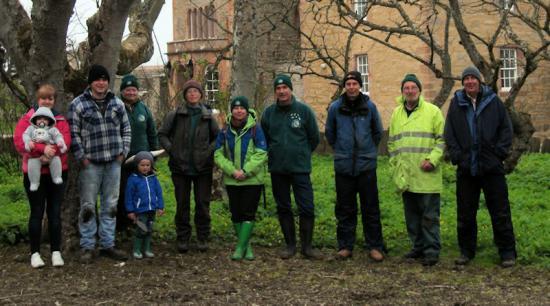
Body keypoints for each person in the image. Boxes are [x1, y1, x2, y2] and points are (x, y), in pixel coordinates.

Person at [444, 65, 517, 268]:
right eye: (466, 79)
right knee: (466, 212)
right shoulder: (456, 104)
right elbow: (449, 133)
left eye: (473, 79)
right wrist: (459, 157)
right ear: (463, 83)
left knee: (500, 210)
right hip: (467, 168)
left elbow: (506, 129)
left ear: (479, 81)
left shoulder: (493, 102)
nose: (470, 82)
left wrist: (498, 154)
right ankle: (466, 251)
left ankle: (507, 252)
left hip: (491, 167)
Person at [68, 64, 131, 263]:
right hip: (90, 164)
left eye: (104, 79)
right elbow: (73, 133)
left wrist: (124, 153)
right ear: (91, 82)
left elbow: (126, 129)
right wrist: (81, 157)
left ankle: (107, 244)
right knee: (87, 206)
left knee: (110, 205)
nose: (101, 83)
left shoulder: (117, 103)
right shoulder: (78, 104)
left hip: (114, 162)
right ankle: (87, 246)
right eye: (97, 79)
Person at [325, 71, 385, 261]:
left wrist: (367, 150)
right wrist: (343, 150)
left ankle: (374, 246)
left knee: (371, 208)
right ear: (345, 86)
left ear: (360, 86)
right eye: (348, 83)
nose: (351, 87)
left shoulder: (370, 107)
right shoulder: (335, 108)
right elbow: (330, 133)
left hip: (366, 166)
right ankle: (345, 245)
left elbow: (377, 132)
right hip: (343, 166)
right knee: (345, 208)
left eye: (354, 83)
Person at [261, 74, 321, 259]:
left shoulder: (304, 111)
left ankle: (307, 247)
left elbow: (314, 138)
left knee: (306, 207)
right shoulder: (269, 113)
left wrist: (301, 153)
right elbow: (265, 138)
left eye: (284, 88)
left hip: (300, 168)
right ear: (275, 92)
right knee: (283, 206)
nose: (281, 91)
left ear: (290, 89)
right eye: (278, 89)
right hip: (278, 168)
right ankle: (290, 245)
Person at [388, 74, 445, 266]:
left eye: (413, 87)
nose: (410, 91)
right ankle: (418, 246)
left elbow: (442, 140)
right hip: (406, 174)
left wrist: (433, 160)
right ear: (402, 92)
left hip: (427, 173)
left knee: (429, 216)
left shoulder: (433, 111)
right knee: (411, 216)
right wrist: (395, 165)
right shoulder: (397, 113)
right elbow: (392, 142)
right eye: (406, 88)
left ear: (419, 90)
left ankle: (431, 250)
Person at [13, 84, 71, 268]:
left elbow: (66, 142)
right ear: (38, 100)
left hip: (57, 171)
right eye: (43, 98)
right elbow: (19, 142)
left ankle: (56, 252)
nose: (47, 101)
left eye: (50, 98)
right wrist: (41, 151)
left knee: (55, 213)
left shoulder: (60, 119)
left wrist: (50, 153)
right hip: (33, 173)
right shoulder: (27, 119)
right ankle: (35, 253)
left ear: (54, 100)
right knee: (37, 212)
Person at [158, 79, 219, 253]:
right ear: (185, 95)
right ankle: (183, 238)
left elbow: (218, 137)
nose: (192, 94)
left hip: (203, 168)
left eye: (196, 91)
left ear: (200, 94)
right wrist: (173, 151)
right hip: (180, 168)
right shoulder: (175, 114)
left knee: (202, 204)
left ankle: (202, 237)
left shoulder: (208, 116)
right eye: (189, 91)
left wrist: (208, 151)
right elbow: (162, 134)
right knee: (182, 204)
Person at [214, 96, 267, 260]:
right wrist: (232, 171)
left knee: (248, 213)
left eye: (242, 108)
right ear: (232, 111)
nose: (239, 111)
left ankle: (239, 248)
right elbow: (217, 154)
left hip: (252, 179)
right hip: (232, 180)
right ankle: (246, 246)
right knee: (236, 213)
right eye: (236, 108)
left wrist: (245, 171)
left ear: (247, 110)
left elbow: (261, 153)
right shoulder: (224, 130)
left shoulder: (255, 129)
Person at [117, 74, 160, 234]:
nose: (131, 93)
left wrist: (153, 157)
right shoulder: (117, 107)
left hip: (142, 160)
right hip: (123, 159)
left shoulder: (144, 109)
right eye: (127, 90)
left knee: (139, 191)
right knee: (122, 192)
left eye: (134, 90)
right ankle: (121, 224)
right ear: (122, 92)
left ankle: (139, 223)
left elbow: (152, 133)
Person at [124, 151, 164, 259]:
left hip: (151, 210)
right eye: (142, 165)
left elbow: (159, 192)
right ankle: (136, 249)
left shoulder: (153, 178)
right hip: (140, 211)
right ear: (137, 165)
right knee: (141, 229)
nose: (145, 167)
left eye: (147, 165)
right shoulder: (133, 179)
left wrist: (160, 206)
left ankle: (147, 249)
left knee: (149, 229)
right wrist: (130, 210)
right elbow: (128, 196)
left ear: (151, 165)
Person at [22, 106, 68, 191]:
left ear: (49, 121)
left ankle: (56, 176)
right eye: (39, 119)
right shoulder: (31, 128)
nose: (42, 121)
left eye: (45, 119)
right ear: (35, 119)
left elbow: (58, 136)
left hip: (50, 153)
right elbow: (25, 135)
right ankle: (34, 182)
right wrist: (28, 142)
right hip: (35, 154)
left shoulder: (52, 129)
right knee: (32, 164)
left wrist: (60, 142)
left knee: (56, 160)